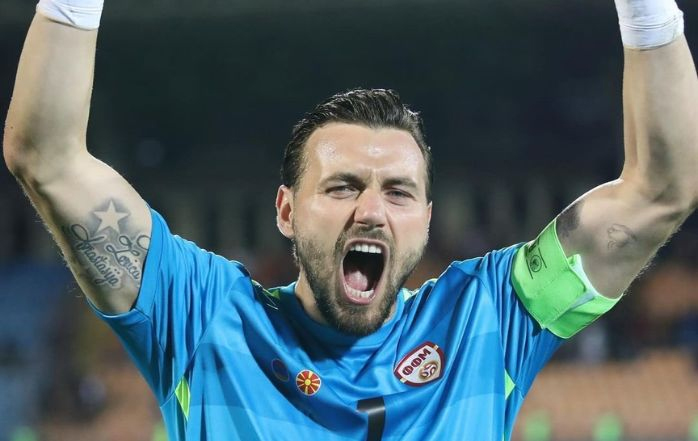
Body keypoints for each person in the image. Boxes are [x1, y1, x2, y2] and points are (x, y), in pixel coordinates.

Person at [2, 0, 696, 439]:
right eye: (341, 187)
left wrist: (648, 11)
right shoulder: (206, 317)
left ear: (426, 220)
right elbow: (47, 158)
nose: (371, 210)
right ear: (286, 210)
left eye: (398, 192)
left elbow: (663, 189)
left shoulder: (487, 317)